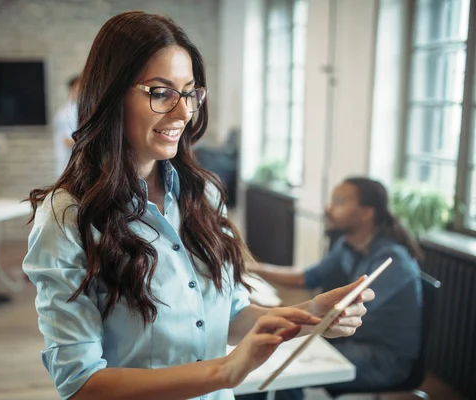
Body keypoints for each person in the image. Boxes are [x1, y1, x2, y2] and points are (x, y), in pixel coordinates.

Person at [23, 11, 374, 400]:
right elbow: (81, 384)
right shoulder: (66, 217)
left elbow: (228, 317)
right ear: (111, 95)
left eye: (189, 92)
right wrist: (223, 372)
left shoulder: (202, 195)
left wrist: (313, 315)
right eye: (161, 92)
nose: (183, 112)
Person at [249, 177, 423, 397]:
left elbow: (350, 309)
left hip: (383, 359)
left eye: (339, 202)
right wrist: (252, 267)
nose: (328, 208)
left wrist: (284, 318)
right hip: (350, 341)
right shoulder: (347, 245)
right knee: (270, 357)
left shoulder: (393, 260)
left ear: (366, 213)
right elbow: (306, 277)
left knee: (285, 371)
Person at [53, 74, 81, 177]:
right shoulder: (64, 114)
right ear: (73, 89)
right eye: (80, 87)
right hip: (68, 165)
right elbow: (68, 142)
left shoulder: (79, 109)